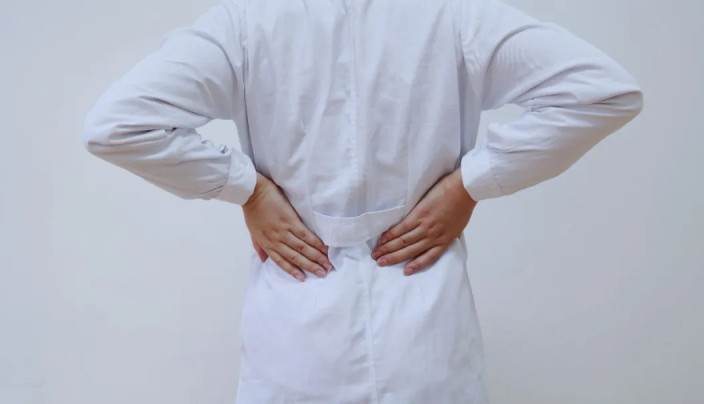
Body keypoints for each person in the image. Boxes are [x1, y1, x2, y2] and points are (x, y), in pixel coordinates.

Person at [82, 0, 643, 402]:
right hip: (425, 325)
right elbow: (603, 91)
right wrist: (470, 183)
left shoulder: (247, 21)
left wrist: (246, 189)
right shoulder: (454, 15)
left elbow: (116, 126)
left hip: (297, 322)